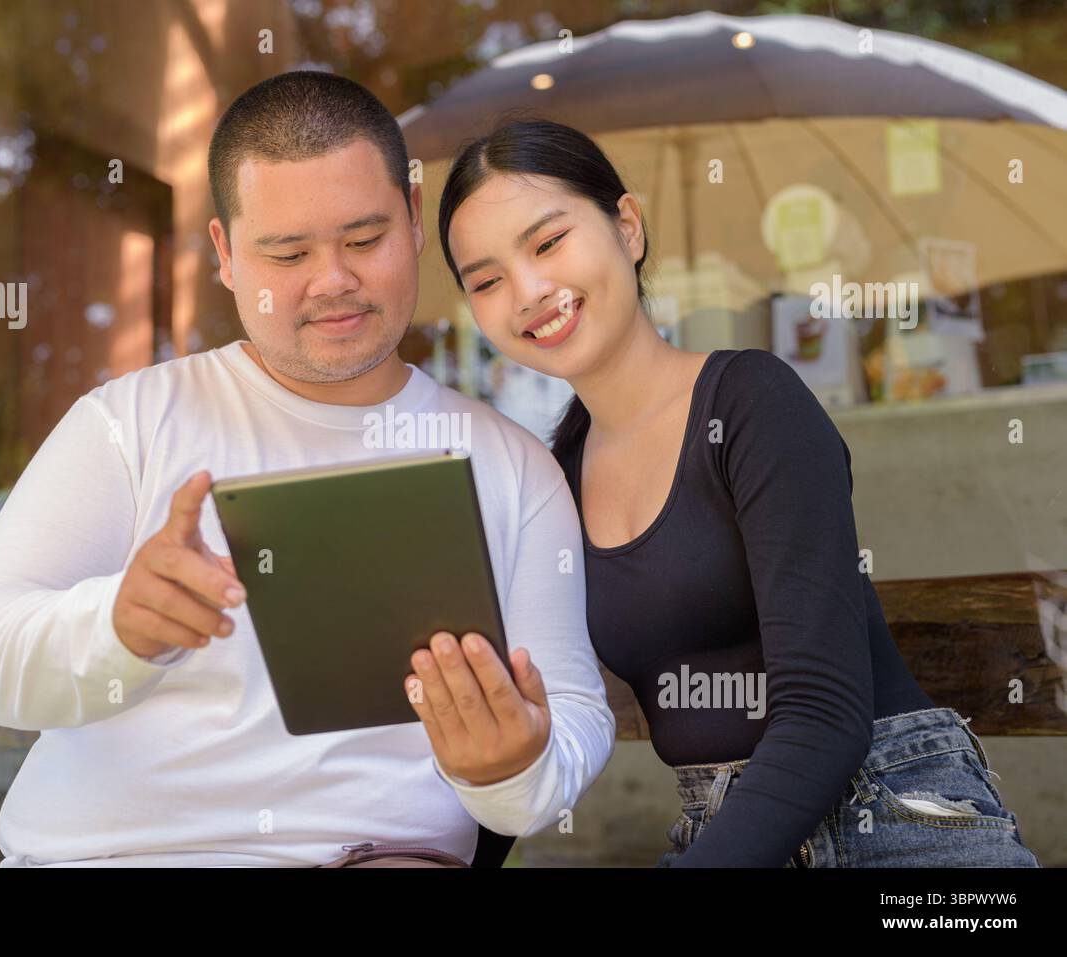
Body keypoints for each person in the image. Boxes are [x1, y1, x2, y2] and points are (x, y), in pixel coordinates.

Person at [0, 75, 615, 868]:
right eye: (287, 252)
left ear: (412, 214)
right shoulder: (129, 422)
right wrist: (115, 627)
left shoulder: (514, 467)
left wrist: (506, 767)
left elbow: (570, 718)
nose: (332, 281)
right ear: (224, 253)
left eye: (364, 241)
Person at [437, 117, 1040, 867]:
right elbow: (518, 711)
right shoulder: (548, 482)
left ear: (627, 227)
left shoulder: (752, 401)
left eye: (549, 242)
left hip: (895, 814)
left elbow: (825, 716)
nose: (527, 291)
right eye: (487, 280)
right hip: (718, 832)